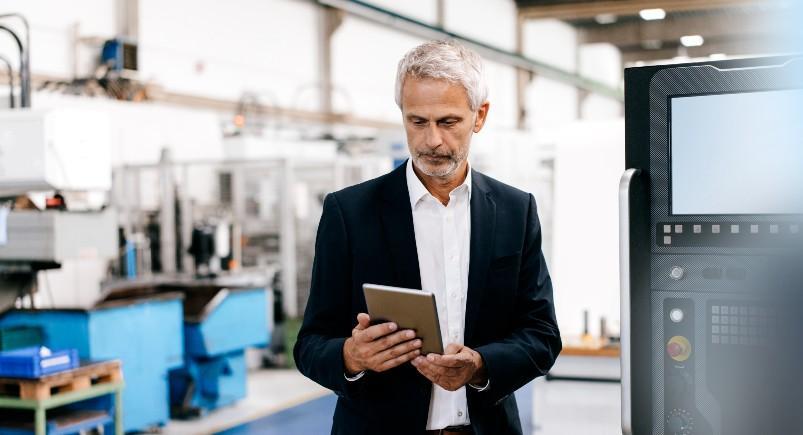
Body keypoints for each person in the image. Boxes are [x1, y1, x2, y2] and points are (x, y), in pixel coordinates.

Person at [294, 39, 561, 435]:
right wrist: (350, 356)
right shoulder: (349, 213)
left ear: (479, 116)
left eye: (448, 122)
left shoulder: (514, 211)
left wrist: (481, 365)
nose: (432, 140)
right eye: (417, 121)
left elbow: (541, 335)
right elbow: (311, 343)